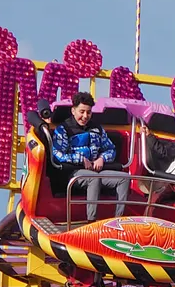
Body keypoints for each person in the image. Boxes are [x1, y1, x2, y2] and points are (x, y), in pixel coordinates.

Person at [51, 91, 130, 221]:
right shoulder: (64, 129)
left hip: (95, 171)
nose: (85, 116)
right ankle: (91, 221)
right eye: (82, 112)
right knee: (93, 178)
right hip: (72, 172)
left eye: (88, 112)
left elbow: (111, 149)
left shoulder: (97, 129)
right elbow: (58, 154)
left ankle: (119, 220)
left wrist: (102, 158)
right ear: (73, 111)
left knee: (124, 178)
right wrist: (81, 160)